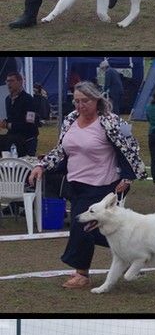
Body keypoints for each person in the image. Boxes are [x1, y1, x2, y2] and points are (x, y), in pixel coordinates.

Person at [28, 80, 146, 289]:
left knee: (81, 225)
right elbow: (61, 150)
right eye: (76, 101)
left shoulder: (110, 121)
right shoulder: (70, 120)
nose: (80, 105)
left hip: (102, 184)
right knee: (96, 229)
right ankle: (134, 250)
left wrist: (126, 178)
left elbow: (131, 149)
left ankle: (81, 274)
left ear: (96, 99)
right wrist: (42, 166)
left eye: (85, 101)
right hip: (76, 183)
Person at [0, 72, 39, 155]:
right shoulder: (8, 99)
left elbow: (29, 123)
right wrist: (4, 122)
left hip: (27, 139)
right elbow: (12, 118)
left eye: (12, 81)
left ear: (20, 82)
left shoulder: (29, 100)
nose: (8, 84)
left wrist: (8, 125)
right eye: (7, 81)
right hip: (12, 138)